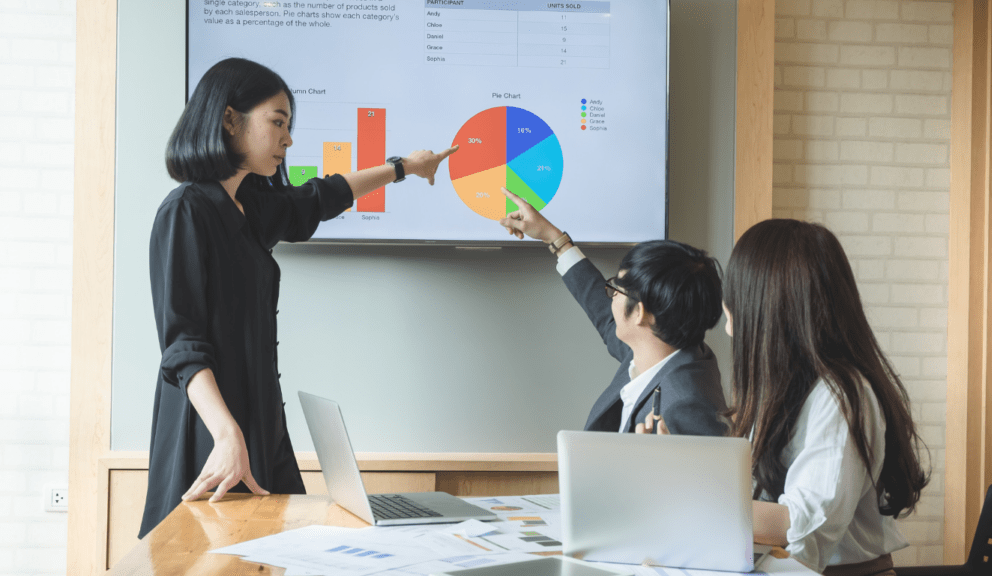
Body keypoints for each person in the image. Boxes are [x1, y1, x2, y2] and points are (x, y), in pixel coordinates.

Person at [140, 58, 456, 537]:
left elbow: (320, 197)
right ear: (229, 119)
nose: (288, 139)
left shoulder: (252, 207)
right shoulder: (186, 210)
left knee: (283, 551)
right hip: (212, 430)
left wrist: (403, 168)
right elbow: (183, 345)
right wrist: (227, 435)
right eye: (277, 122)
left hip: (261, 425)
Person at [639, 219, 929, 576]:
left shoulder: (839, 398)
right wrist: (678, 468)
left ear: (767, 309)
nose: (729, 327)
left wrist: (686, 490)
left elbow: (801, 524)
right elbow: (759, 500)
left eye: (734, 305)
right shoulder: (786, 387)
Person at [498, 188, 728, 437]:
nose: (611, 297)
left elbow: (704, 475)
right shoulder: (662, 350)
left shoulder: (686, 405)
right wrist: (554, 238)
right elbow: (604, 314)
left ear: (640, 313)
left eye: (616, 289)